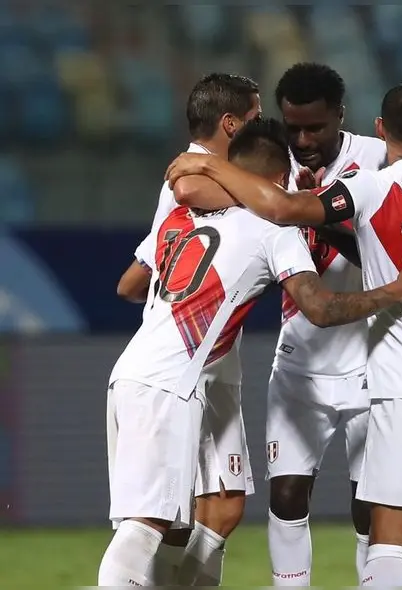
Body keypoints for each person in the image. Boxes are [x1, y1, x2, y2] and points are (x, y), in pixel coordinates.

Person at [165, 81, 402, 588]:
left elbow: (285, 209)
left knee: (389, 535)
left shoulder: (371, 186)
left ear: (379, 129)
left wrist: (211, 163)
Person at [100, 117, 402, 587]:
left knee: (195, 516)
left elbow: (129, 284)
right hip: (171, 383)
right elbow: (321, 308)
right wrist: (396, 289)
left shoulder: (176, 216)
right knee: (145, 525)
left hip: (132, 371)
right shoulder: (273, 229)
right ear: (279, 179)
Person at [179, 61, 388, 587]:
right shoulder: (270, 170)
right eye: (293, 127)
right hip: (300, 353)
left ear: (339, 116)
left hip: (372, 355)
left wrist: (312, 211)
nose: (302, 139)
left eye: (315, 127)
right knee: (288, 495)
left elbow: (384, 247)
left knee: (370, 504)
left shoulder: (376, 161)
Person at [114, 72, 262, 586]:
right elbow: (190, 186)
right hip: (183, 360)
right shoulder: (190, 169)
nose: (263, 128)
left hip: (215, 359)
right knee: (155, 519)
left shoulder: (215, 172)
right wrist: (278, 197)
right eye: (255, 118)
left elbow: (133, 278)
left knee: (222, 505)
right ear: (230, 122)